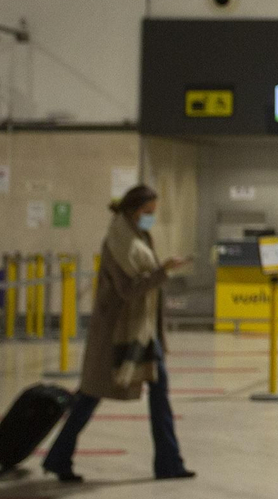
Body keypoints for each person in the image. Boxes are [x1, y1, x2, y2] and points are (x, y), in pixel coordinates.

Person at [43, 184, 194, 481]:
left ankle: (168, 462)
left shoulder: (139, 235)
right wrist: (164, 271)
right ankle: (59, 457)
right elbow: (128, 290)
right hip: (117, 333)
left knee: (160, 393)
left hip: (143, 330)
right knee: (91, 394)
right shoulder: (119, 242)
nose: (151, 218)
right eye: (147, 212)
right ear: (132, 210)